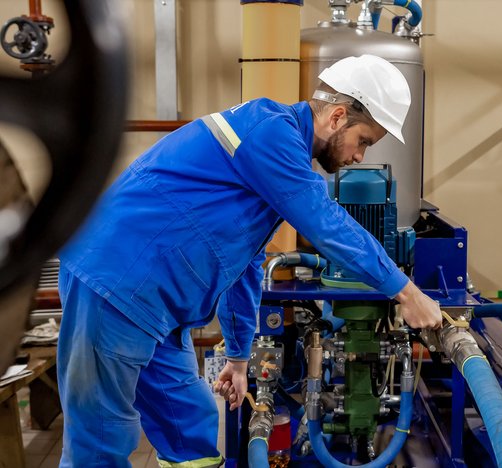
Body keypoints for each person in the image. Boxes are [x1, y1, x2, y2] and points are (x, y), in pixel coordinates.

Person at [56, 54, 443, 467]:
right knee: (102, 438)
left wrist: (240, 360)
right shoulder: (270, 132)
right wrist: (406, 292)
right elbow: (327, 224)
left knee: (188, 423)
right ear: (337, 117)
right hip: (115, 283)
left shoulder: (276, 158)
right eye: (363, 140)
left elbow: (243, 267)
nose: (359, 157)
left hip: (157, 303)